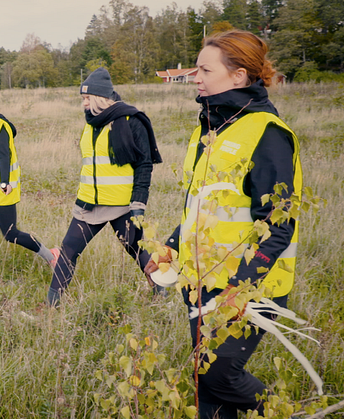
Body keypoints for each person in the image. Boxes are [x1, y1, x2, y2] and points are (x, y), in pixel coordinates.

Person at [143, 30, 302, 419]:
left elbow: (278, 225)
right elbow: (200, 209)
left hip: (248, 287)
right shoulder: (209, 129)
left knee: (220, 375)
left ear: (238, 76)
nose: (195, 77)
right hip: (201, 279)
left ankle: (289, 412)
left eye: (204, 69)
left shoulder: (268, 135)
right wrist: (168, 248)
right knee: (204, 379)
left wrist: (239, 291)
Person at [47, 67, 162, 307]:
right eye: (83, 99)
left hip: (121, 205)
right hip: (89, 203)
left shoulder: (131, 120)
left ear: (100, 97)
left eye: (87, 98)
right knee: (68, 251)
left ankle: (161, 294)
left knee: (138, 251)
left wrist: (138, 204)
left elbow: (144, 165)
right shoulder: (91, 124)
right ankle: (51, 306)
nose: (84, 104)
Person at [0, 86, 58, 277]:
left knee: (10, 234)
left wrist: (5, 182)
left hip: (1, 190)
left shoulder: (1, 125)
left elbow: (4, 155)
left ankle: (52, 256)